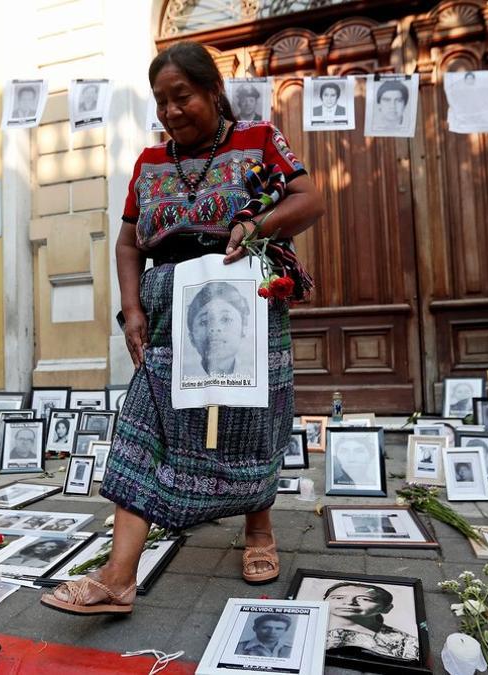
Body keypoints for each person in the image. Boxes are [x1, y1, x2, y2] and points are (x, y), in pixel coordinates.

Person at [42, 41, 323, 615]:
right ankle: (119, 577)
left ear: (213, 92)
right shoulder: (148, 164)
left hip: (243, 300)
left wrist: (258, 221)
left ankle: (259, 532)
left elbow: (310, 197)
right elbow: (127, 242)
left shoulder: (258, 140)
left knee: (250, 420)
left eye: (182, 97)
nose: (171, 111)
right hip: (169, 315)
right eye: (161, 101)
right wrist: (131, 310)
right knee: (143, 424)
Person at [323, 582, 418, 659]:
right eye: (338, 598)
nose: (349, 602)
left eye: (365, 599)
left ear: (386, 608)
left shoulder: (406, 643)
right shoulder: (312, 628)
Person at [186, 282, 249, 376]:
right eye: (204, 322)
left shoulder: (255, 377)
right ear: (192, 338)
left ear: (243, 329)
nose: (214, 328)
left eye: (225, 319)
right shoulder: (186, 377)